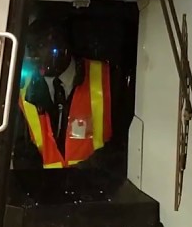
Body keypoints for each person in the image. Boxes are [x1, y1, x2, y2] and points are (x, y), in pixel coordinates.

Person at [14, 16, 117, 169]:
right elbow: (19, 149)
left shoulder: (107, 77)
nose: (36, 56)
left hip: (98, 185)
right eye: (32, 48)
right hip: (44, 188)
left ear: (64, 45)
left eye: (43, 46)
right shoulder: (22, 89)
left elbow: (125, 144)